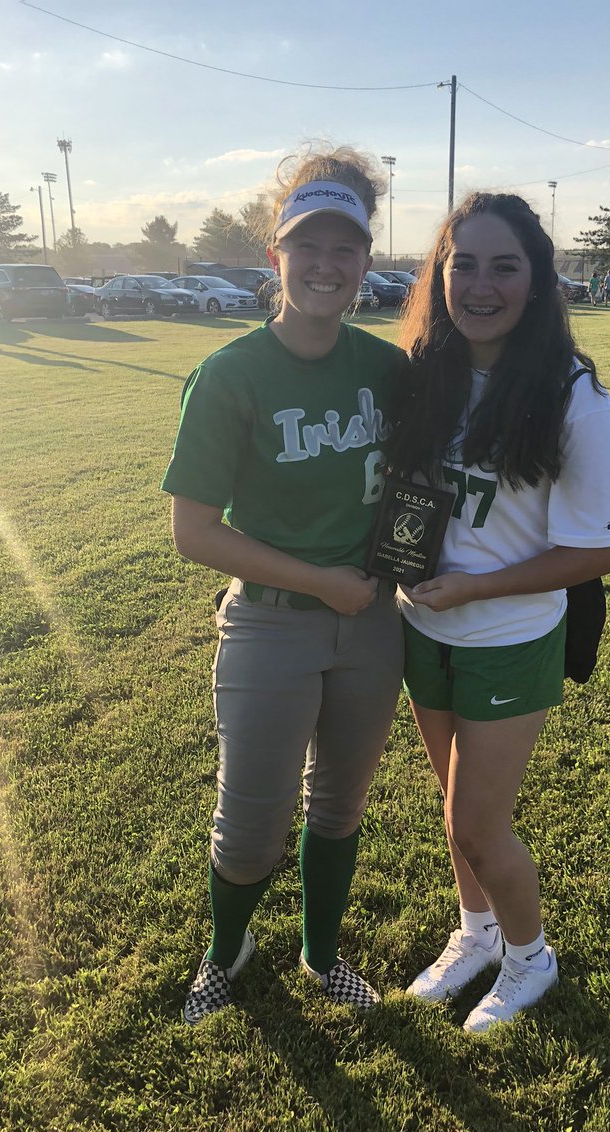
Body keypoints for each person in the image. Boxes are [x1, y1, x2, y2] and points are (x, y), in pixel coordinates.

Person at [162, 145, 406, 1025]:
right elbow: (195, 531)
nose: (326, 265)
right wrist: (319, 581)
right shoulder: (230, 374)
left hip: (373, 624)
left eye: (345, 249)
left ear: (366, 263)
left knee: (338, 807)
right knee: (249, 827)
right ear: (277, 255)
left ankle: (321, 954)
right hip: (270, 624)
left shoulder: (388, 370)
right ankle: (227, 950)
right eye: (308, 246)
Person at [388, 192, 610, 1033]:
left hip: (509, 637)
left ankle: (531, 959)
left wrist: (474, 588)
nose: (481, 285)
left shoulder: (572, 394)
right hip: (424, 629)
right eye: (464, 265)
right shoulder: (427, 371)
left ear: (537, 280)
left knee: (478, 826)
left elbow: (608, 550)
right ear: (440, 274)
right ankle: (477, 934)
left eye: (504, 267)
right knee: (455, 813)